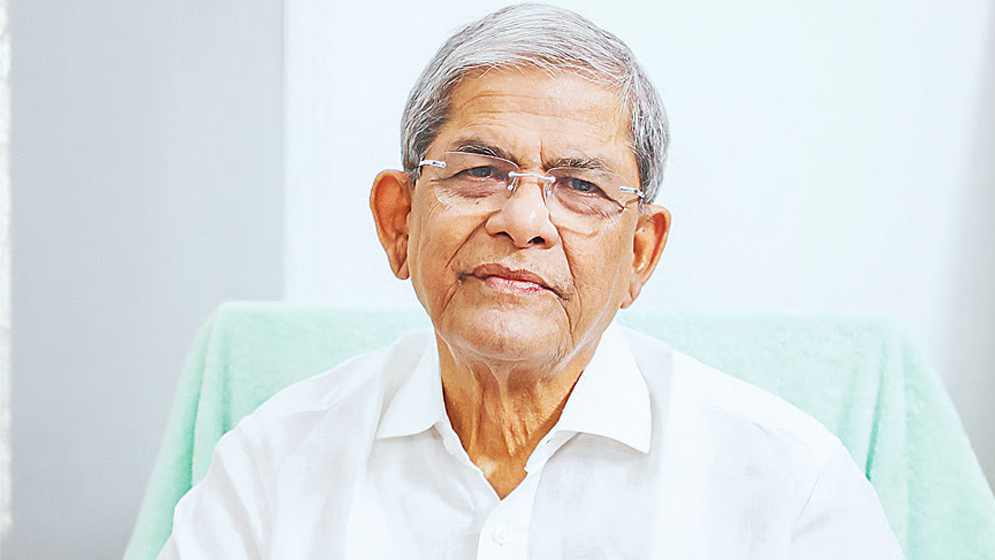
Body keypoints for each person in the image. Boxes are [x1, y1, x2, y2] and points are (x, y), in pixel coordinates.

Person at [156, 4, 904, 558]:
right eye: (480, 171)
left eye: (580, 186)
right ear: (398, 221)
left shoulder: (787, 483)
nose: (524, 221)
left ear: (640, 254)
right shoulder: (273, 463)